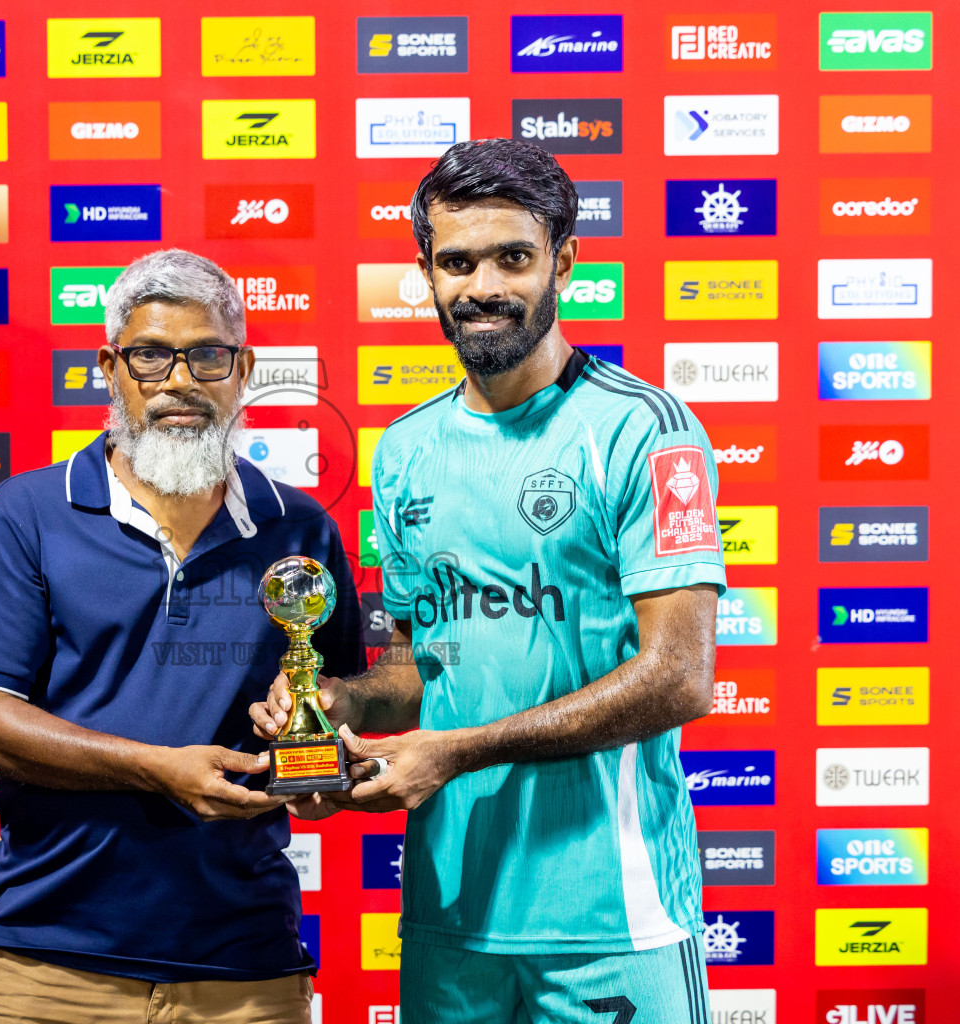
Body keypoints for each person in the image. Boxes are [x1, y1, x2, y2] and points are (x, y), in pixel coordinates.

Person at [251, 138, 726, 1024]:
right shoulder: (404, 451)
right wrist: (340, 707)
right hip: (452, 912)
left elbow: (680, 677)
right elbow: (419, 670)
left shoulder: (645, 431)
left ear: (565, 262)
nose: (483, 286)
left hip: (613, 916)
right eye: (456, 261)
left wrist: (457, 751)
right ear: (426, 273)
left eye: (514, 256)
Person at [0, 248, 364, 1024]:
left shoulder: (300, 528)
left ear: (242, 371)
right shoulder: (26, 514)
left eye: (206, 355)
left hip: (246, 968)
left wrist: (317, 769)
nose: (179, 380)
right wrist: (156, 769)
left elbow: (335, 707)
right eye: (150, 355)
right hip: (50, 962)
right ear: (110, 368)